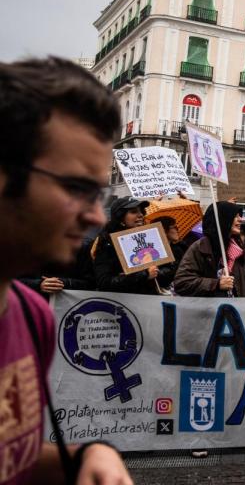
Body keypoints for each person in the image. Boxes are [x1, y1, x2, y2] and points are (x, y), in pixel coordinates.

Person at [0, 56, 132, 484]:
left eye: (98, 193)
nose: (97, 216)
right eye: (77, 188)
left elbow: (12, 458)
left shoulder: (31, 315)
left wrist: (86, 456)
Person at [91, 196, 171, 294]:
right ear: (120, 218)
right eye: (133, 212)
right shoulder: (108, 244)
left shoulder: (152, 238)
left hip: (151, 301)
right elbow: (104, 282)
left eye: (141, 211)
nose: (140, 215)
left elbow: (170, 271)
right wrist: (144, 275)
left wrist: (157, 272)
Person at [174, 201, 245, 298]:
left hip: (235, 310)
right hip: (210, 310)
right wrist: (216, 284)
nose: (240, 220)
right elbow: (182, 283)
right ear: (223, 219)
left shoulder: (238, 249)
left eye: (240, 216)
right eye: (235, 216)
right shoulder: (201, 247)